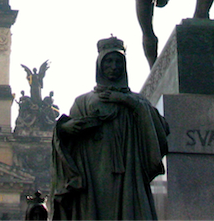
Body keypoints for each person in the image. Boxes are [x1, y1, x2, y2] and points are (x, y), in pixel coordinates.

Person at [50, 36, 169, 220]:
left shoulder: (137, 101)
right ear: (99, 65)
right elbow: (64, 138)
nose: (113, 66)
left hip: (129, 174)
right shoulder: (83, 102)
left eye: (118, 62)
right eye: (108, 61)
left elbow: (160, 131)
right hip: (94, 175)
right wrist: (67, 128)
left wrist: (127, 101)